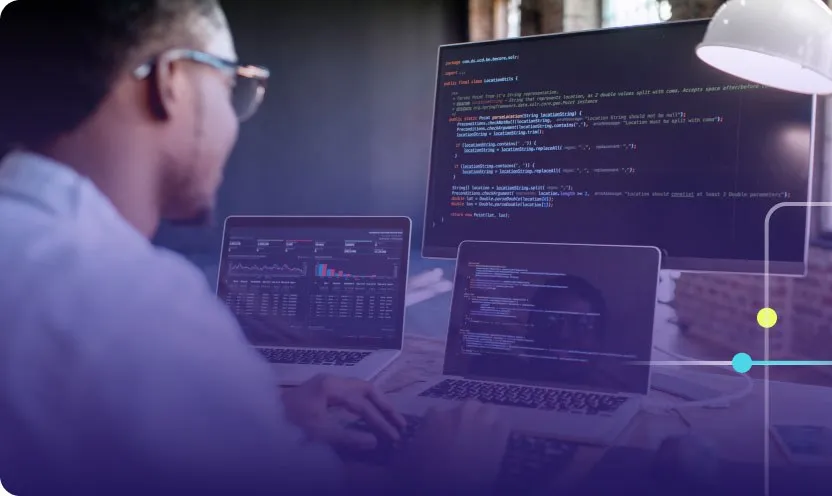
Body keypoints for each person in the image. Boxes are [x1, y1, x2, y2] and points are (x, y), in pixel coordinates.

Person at [0, 1, 508, 495]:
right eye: (232, 87)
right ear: (171, 81)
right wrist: (435, 479)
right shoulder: (140, 305)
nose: (235, 122)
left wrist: (257, 419)